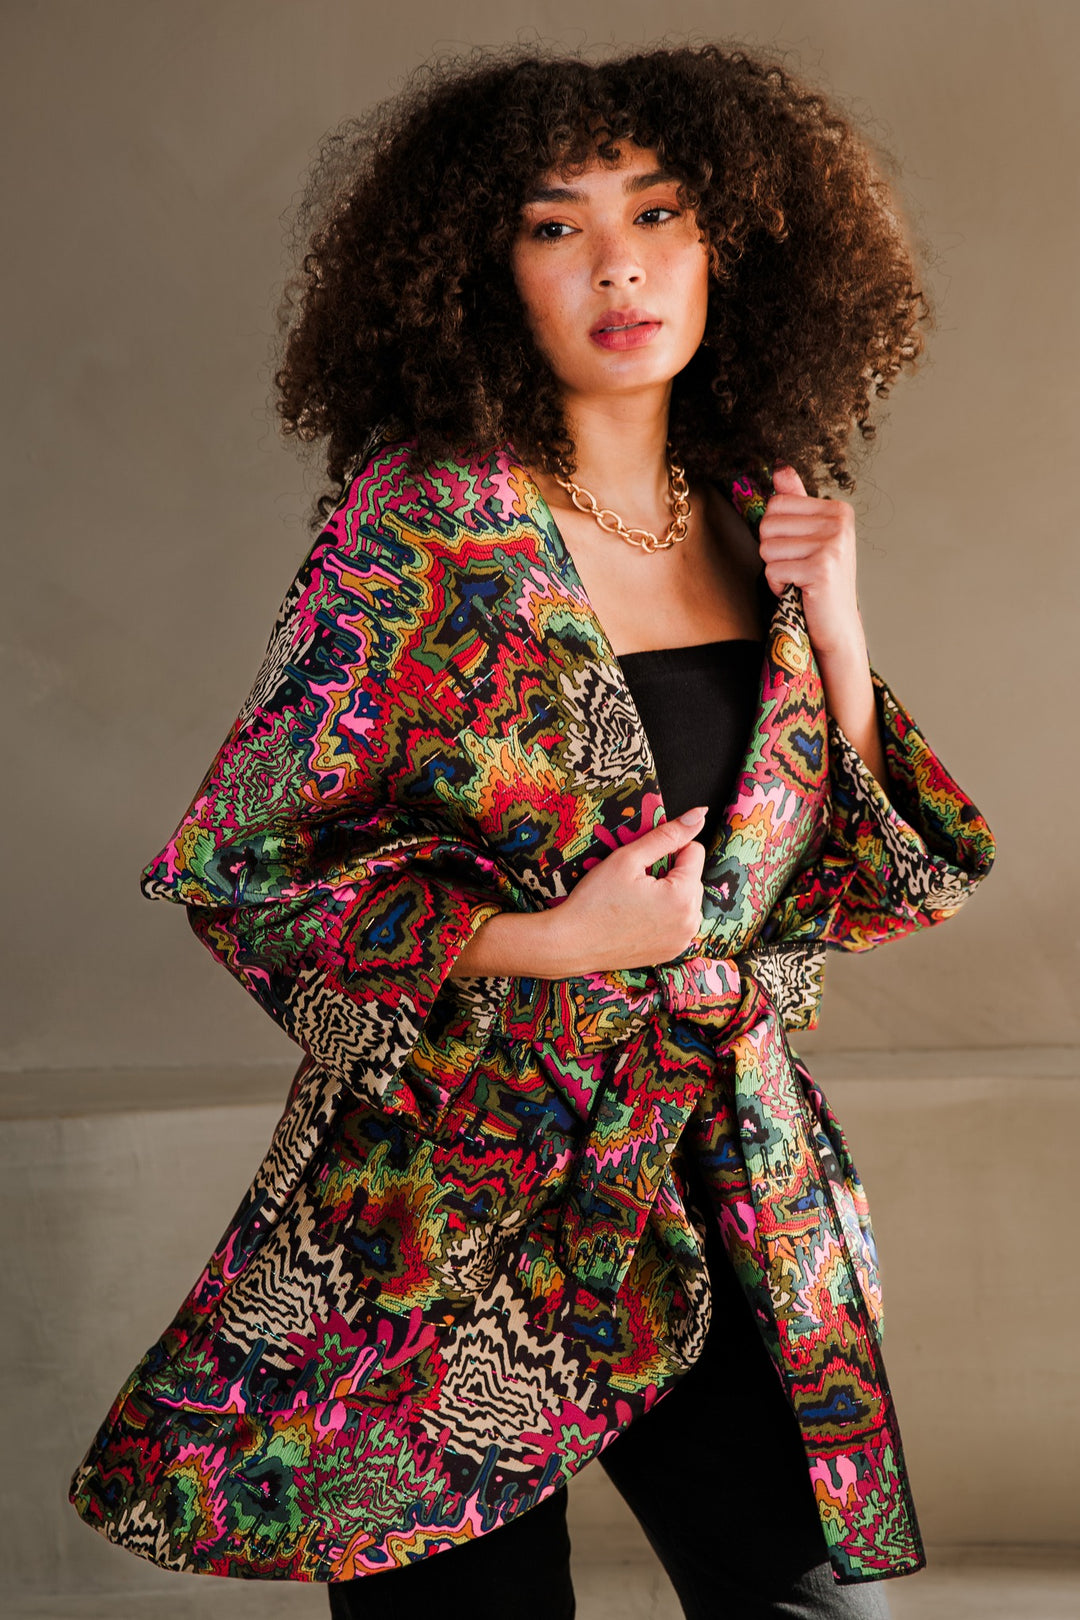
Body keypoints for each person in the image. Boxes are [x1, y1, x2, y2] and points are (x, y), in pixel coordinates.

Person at [68, 43, 996, 1620]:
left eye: (660, 213)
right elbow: (248, 873)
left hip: (720, 1165)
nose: (619, 263)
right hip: (452, 1190)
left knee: (812, 1596)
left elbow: (858, 880)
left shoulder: (757, 511)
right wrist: (558, 942)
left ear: (733, 244)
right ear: (481, 276)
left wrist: (839, 639)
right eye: (557, 226)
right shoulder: (423, 529)